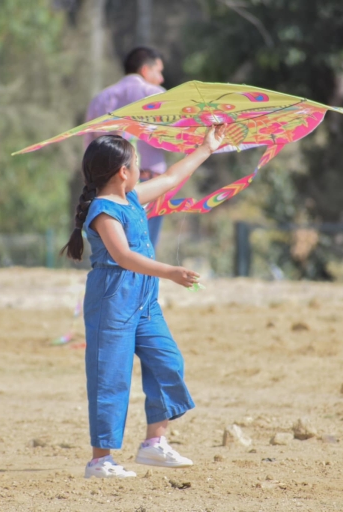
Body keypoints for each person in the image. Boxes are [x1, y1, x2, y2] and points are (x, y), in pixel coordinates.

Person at [61, 124, 229, 478]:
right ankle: (100, 460)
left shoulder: (131, 198)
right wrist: (170, 272)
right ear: (124, 172)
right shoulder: (104, 210)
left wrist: (206, 148)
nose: (142, 169)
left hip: (143, 300)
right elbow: (122, 256)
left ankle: (155, 444)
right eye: (137, 162)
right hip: (113, 300)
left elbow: (170, 178)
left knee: (167, 361)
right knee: (111, 377)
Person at [84, 46, 167, 248]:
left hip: (106, 184)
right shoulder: (159, 97)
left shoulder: (101, 98)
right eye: (159, 71)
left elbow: (90, 144)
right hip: (148, 180)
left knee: (114, 249)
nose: (162, 78)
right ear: (145, 71)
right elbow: (175, 139)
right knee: (144, 246)